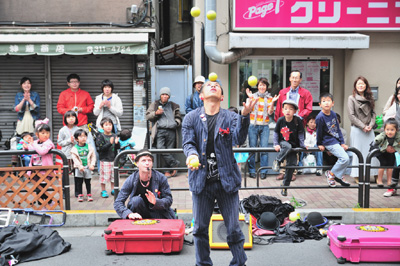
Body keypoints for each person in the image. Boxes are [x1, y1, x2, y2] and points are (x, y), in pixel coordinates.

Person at [182, 79, 257, 266]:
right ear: (201, 95)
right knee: (199, 229)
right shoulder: (190, 118)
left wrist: (245, 115)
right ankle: (203, 264)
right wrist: (191, 156)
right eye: (208, 85)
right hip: (201, 181)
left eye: (217, 86)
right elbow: (188, 143)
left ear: (222, 97)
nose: (213, 85)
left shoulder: (230, 117)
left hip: (227, 182)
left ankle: (239, 263)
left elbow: (239, 137)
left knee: (233, 229)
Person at [114, 149, 176, 220]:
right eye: (143, 160)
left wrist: (156, 202)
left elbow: (169, 200)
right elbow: (118, 202)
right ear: (137, 164)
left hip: (158, 213)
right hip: (139, 215)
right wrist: (128, 213)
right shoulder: (131, 179)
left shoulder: (161, 178)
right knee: (136, 200)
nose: (147, 163)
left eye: (149, 160)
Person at [274, 70, 313, 181]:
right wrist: (278, 121)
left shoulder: (306, 93)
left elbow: (309, 108)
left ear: (300, 80)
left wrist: (299, 116)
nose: (295, 79)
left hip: (297, 124)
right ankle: (282, 171)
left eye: (297, 78)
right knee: (284, 146)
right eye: (293, 77)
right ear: (289, 78)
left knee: (295, 148)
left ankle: (292, 172)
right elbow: (278, 109)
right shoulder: (283, 92)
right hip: (284, 124)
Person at [246, 77, 279, 179]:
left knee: (264, 149)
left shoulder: (269, 98)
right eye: (260, 85)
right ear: (257, 86)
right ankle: (252, 171)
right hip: (253, 125)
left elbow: (269, 113)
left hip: (265, 126)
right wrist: (251, 99)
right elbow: (249, 109)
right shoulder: (252, 97)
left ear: (266, 87)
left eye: (264, 85)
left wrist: (273, 102)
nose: (262, 87)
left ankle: (263, 171)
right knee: (252, 149)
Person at [316, 93, 351, 188]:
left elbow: (338, 129)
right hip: (328, 142)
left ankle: (336, 175)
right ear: (320, 104)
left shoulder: (333, 114)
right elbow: (319, 132)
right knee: (345, 158)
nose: (326, 103)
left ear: (333, 103)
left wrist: (342, 143)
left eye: (328, 101)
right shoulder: (320, 117)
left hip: (336, 141)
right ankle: (332, 174)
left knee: (345, 158)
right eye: (324, 101)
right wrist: (319, 144)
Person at [347, 76, 378, 182]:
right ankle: (357, 175)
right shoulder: (351, 98)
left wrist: (370, 125)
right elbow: (351, 115)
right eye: (358, 83)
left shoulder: (370, 98)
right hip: (357, 129)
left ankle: (375, 174)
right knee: (358, 152)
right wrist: (363, 126)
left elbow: (373, 113)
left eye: (363, 84)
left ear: (366, 86)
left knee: (372, 151)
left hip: (369, 129)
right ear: (355, 86)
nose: (361, 85)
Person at [271, 100, 305, 196]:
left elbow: (301, 133)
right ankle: (277, 161)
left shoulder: (297, 120)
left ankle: (285, 186)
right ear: (282, 110)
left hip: (294, 146)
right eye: (285, 109)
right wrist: (276, 144)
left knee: (291, 166)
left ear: (295, 111)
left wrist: (302, 145)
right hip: (284, 143)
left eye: (291, 109)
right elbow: (276, 133)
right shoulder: (281, 120)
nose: (288, 111)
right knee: (287, 146)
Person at [145, 87, 181, 178]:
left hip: (171, 130)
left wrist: (176, 123)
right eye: (163, 94)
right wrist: (156, 113)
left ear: (169, 96)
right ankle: (174, 163)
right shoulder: (155, 104)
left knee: (169, 150)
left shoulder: (174, 105)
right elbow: (148, 116)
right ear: (160, 95)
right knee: (160, 148)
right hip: (160, 130)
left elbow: (178, 117)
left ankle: (167, 171)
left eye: (166, 95)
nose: (164, 96)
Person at [24, 119, 55, 209]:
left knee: (43, 188)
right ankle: (44, 203)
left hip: (45, 170)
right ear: (37, 134)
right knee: (37, 188)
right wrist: (26, 147)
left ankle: (46, 203)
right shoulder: (36, 142)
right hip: (35, 169)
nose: (46, 135)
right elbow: (30, 148)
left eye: (47, 133)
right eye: (43, 133)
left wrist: (33, 144)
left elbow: (42, 151)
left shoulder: (49, 143)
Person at [96, 117, 119, 198]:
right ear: (102, 127)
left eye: (110, 124)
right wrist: (110, 143)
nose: (109, 126)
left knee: (113, 176)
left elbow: (117, 148)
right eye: (106, 125)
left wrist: (116, 143)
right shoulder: (100, 136)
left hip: (114, 159)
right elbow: (100, 149)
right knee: (104, 176)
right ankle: (103, 190)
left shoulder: (114, 135)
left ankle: (113, 189)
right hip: (104, 159)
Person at [57, 111, 79, 196]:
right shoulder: (62, 130)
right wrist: (69, 141)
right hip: (66, 154)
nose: (71, 119)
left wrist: (76, 142)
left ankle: (78, 192)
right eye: (68, 117)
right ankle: (64, 192)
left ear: (76, 118)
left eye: (73, 117)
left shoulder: (78, 129)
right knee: (65, 174)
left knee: (77, 174)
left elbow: (82, 141)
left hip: (76, 155)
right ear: (65, 119)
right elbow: (60, 142)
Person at [71, 129, 96, 202]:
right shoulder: (75, 148)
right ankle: (80, 194)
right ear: (76, 139)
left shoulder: (89, 147)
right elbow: (74, 159)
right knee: (79, 182)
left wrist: (92, 164)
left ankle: (89, 194)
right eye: (81, 136)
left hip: (87, 167)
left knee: (88, 181)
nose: (83, 138)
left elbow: (93, 156)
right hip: (79, 168)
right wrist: (79, 166)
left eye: (85, 136)